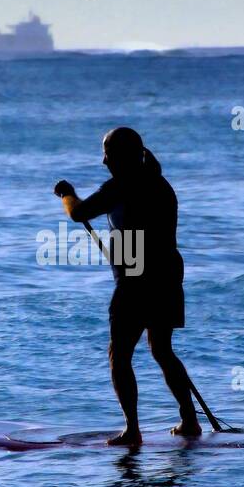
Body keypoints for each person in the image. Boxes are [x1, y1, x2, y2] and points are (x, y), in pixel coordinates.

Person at [54, 127, 200, 447]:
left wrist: (66, 193)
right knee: (162, 349)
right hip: (167, 275)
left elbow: (79, 212)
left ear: (124, 156)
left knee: (119, 355)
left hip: (136, 280)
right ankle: (190, 420)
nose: (104, 160)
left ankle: (132, 430)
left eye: (108, 153)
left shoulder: (122, 186)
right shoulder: (160, 184)